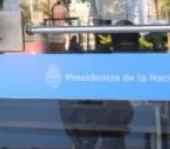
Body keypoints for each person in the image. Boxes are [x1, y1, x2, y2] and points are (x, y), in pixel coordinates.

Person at [58, 20, 139, 149]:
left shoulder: (127, 69)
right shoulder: (98, 68)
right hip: (95, 136)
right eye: (124, 44)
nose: (128, 49)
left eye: (130, 44)